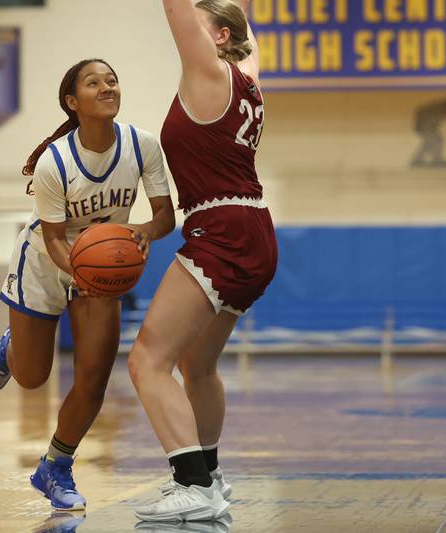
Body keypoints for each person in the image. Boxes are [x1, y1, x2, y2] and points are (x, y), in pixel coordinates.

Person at [0, 59, 175, 511]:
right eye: (94, 83)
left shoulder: (142, 145)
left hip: (103, 264)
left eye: (112, 80)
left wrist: (144, 232)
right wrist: (80, 273)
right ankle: (12, 346)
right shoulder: (55, 162)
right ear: (73, 101)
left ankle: (55, 466)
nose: (107, 87)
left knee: (93, 379)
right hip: (46, 261)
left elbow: (165, 215)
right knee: (32, 378)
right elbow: (54, 239)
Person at [128, 0, 277, 522]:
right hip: (253, 229)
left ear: (218, 36)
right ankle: (209, 475)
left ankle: (192, 483)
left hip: (222, 228)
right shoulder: (247, 77)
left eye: (201, 20)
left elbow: (175, 8)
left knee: (146, 360)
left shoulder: (208, 72)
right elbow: (244, 22)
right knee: (197, 364)